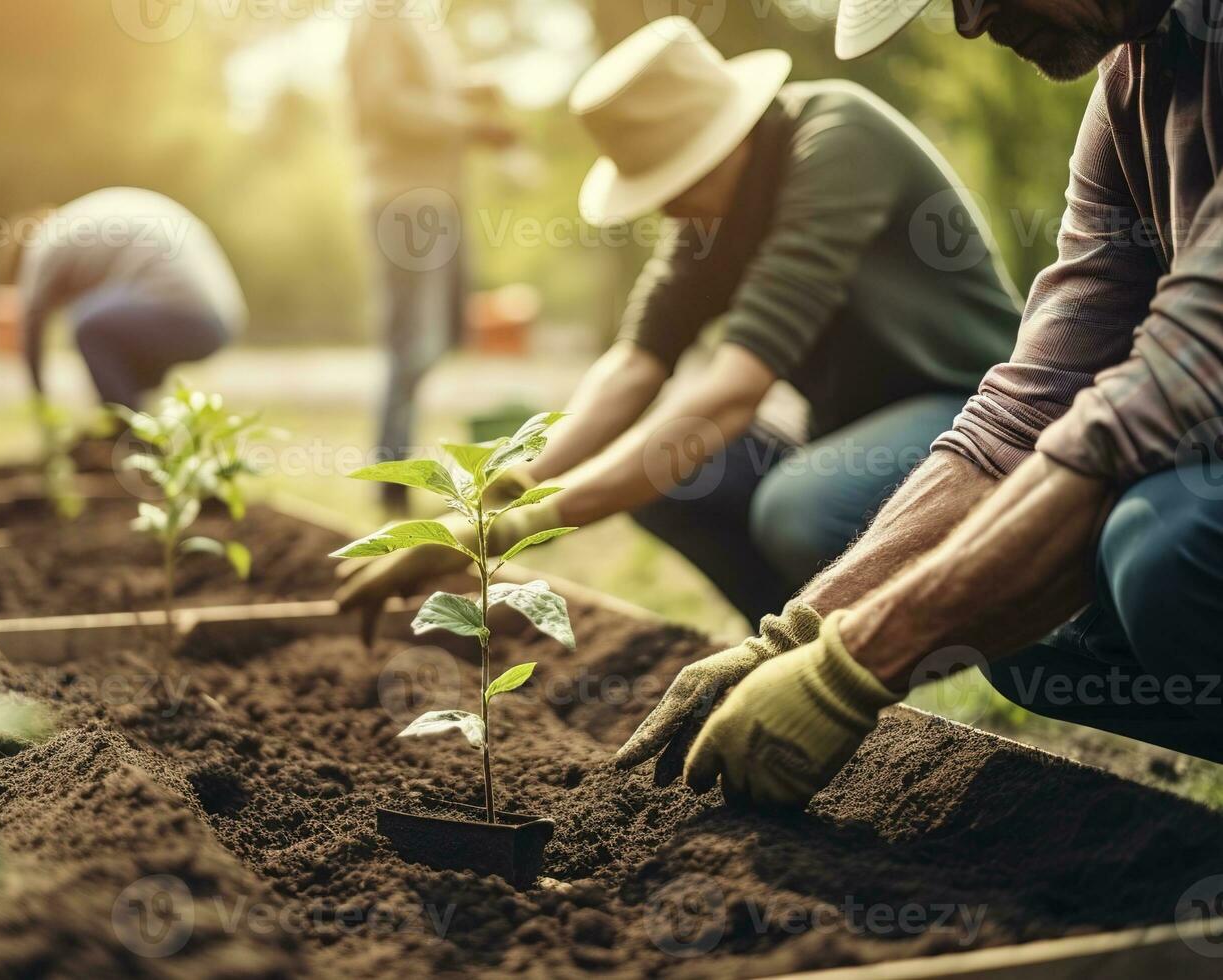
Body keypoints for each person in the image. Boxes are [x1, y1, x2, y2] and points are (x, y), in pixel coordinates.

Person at [615, 0, 1223, 808]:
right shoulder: (1128, 89)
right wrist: (799, 634)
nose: (969, 24)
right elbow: (1027, 408)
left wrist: (856, 665)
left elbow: (1179, 373)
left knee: (1162, 547)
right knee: (1016, 626)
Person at [336, 18, 1021, 626]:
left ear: (730, 136)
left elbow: (729, 396)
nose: (666, 210)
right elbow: (636, 363)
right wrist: (496, 498)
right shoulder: (711, 207)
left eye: (675, 180)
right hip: (847, 433)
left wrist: (527, 526)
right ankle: (784, 656)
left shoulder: (836, 141)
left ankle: (875, 650)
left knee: (798, 509)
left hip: (979, 412)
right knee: (665, 479)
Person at [346, 1, 517, 514]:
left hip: (438, 200)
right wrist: (470, 124)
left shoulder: (418, 20)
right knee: (413, 343)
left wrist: (469, 87)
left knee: (441, 335)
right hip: (407, 202)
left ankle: (393, 468)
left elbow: (421, 92)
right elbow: (386, 104)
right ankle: (391, 478)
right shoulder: (381, 16)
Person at [12, 188, 246, 411]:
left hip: (186, 313)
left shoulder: (41, 246)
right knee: (113, 340)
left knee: (89, 327)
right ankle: (140, 430)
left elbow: (31, 329)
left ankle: (126, 435)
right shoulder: (78, 223)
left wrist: (41, 407)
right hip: (225, 318)